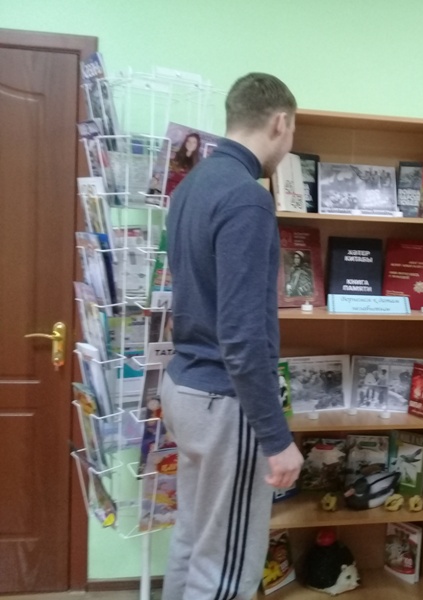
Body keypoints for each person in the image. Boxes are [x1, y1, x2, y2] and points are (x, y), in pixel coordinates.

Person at [161, 72, 304, 600]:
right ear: (280, 122)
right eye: (292, 133)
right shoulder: (246, 198)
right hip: (224, 401)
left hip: (184, 388)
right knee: (224, 569)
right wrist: (277, 439)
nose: (289, 145)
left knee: (194, 540)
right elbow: (243, 337)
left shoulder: (190, 186)